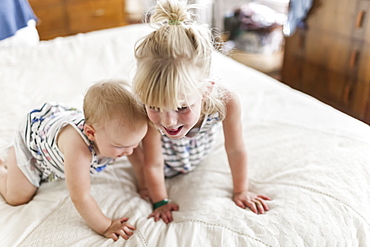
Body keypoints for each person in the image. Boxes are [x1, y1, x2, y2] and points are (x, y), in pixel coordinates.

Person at [133, 0, 271, 224]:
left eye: (182, 107)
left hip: (194, 155)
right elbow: (153, 163)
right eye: (155, 107)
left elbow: (235, 149)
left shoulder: (227, 103)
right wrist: (160, 200)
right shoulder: (146, 114)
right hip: (163, 164)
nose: (167, 121)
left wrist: (241, 190)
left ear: (206, 90)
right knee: (130, 144)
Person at [0, 80, 148, 241]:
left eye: (135, 144)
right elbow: (80, 197)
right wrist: (106, 225)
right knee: (17, 196)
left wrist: (144, 186)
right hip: (33, 145)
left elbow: (139, 161)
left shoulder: (121, 136)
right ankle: (9, 160)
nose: (129, 151)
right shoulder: (78, 150)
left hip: (58, 123)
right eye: (120, 146)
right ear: (91, 133)